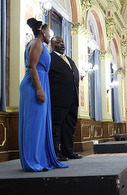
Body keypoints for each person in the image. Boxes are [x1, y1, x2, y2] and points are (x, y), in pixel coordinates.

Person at [19, 18, 68, 172]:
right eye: (49, 31)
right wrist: (39, 89)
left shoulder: (38, 45)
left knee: (39, 124)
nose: (50, 35)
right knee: (34, 124)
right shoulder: (37, 43)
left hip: (39, 83)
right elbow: (32, 67)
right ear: (42, 31)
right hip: (34, 86)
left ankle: (40, 158)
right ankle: (32, 161)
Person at [49, 36, 82, 161]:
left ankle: (68, 151)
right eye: (58, 42)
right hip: (58, 99)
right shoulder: (50, 58)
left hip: (73, 99)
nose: (62, 44)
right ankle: (55, 153)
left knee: (69, 127)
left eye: (62, 42)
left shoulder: (69, 60)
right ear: (52, 45)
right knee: (56, 127)